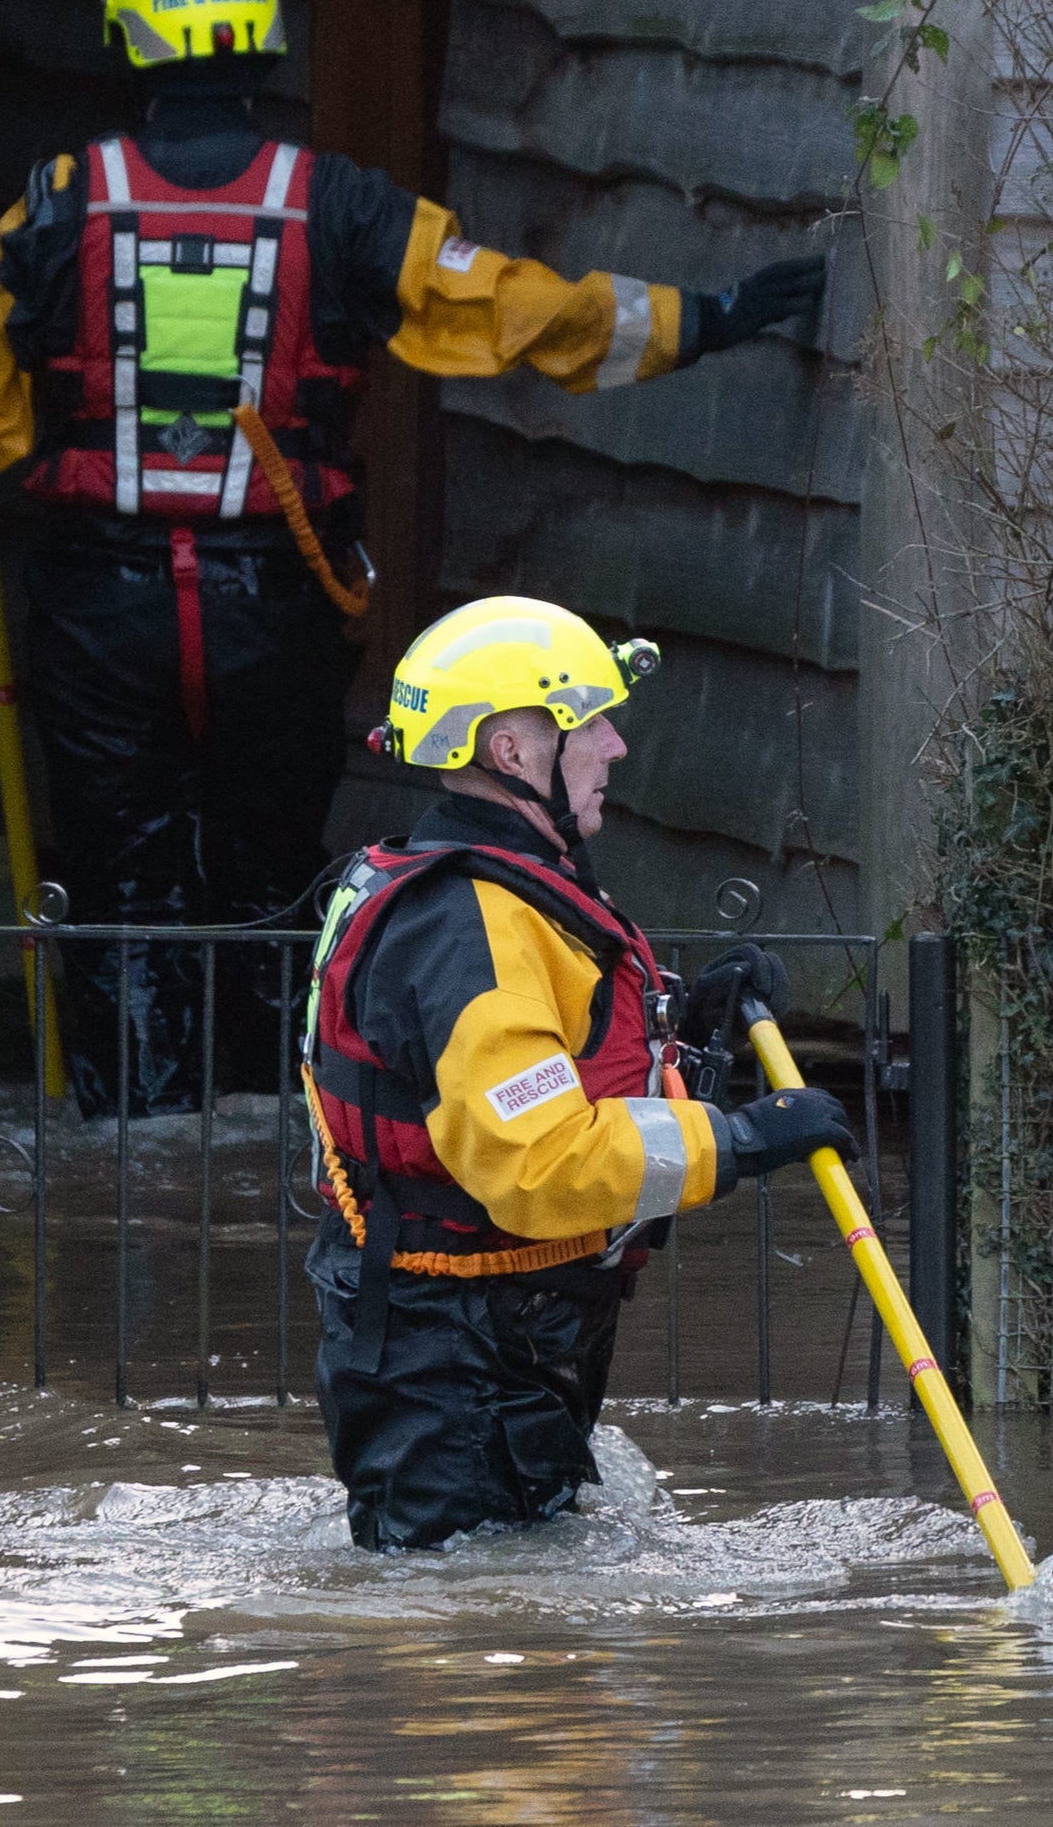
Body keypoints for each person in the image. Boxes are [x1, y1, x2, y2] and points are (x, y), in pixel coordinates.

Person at [0, 0, 827, 1115]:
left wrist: (40, 416)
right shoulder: (336, 205)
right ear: (265, 45)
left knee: (120, 889)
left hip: (103, 607)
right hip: (274, 609)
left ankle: (127, 1149)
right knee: (273, 878)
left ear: (128, 45)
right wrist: (712, 314)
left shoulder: (57, 208)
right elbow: (516, 312)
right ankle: (268, 1127)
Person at [298, 595, 858, 1550]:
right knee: (466, 1662)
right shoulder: (466, 919)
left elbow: (559, 1070)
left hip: (486, 1335)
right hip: (454, 1351)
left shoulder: (488, 884)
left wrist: (689, 1033)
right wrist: (743, 1140)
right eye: (589, 721)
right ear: (512, 750)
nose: (615, 746)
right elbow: (540, 1159)